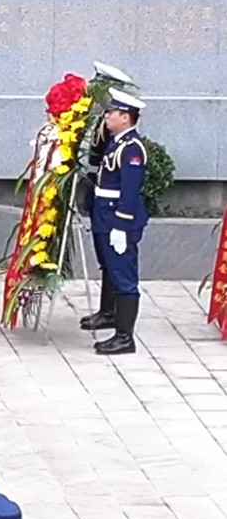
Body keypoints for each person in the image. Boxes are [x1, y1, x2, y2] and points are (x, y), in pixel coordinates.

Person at [85, 87, 149, 355]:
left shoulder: (132, 149)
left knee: (124, 276)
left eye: (111, 113)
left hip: (118, 218)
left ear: (125, 117)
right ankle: (109, 314)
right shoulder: (116, 143)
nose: (106, 117)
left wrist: (121, 226)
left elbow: (129, 192)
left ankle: (125, 337)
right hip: (104, 214)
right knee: (110, 266)